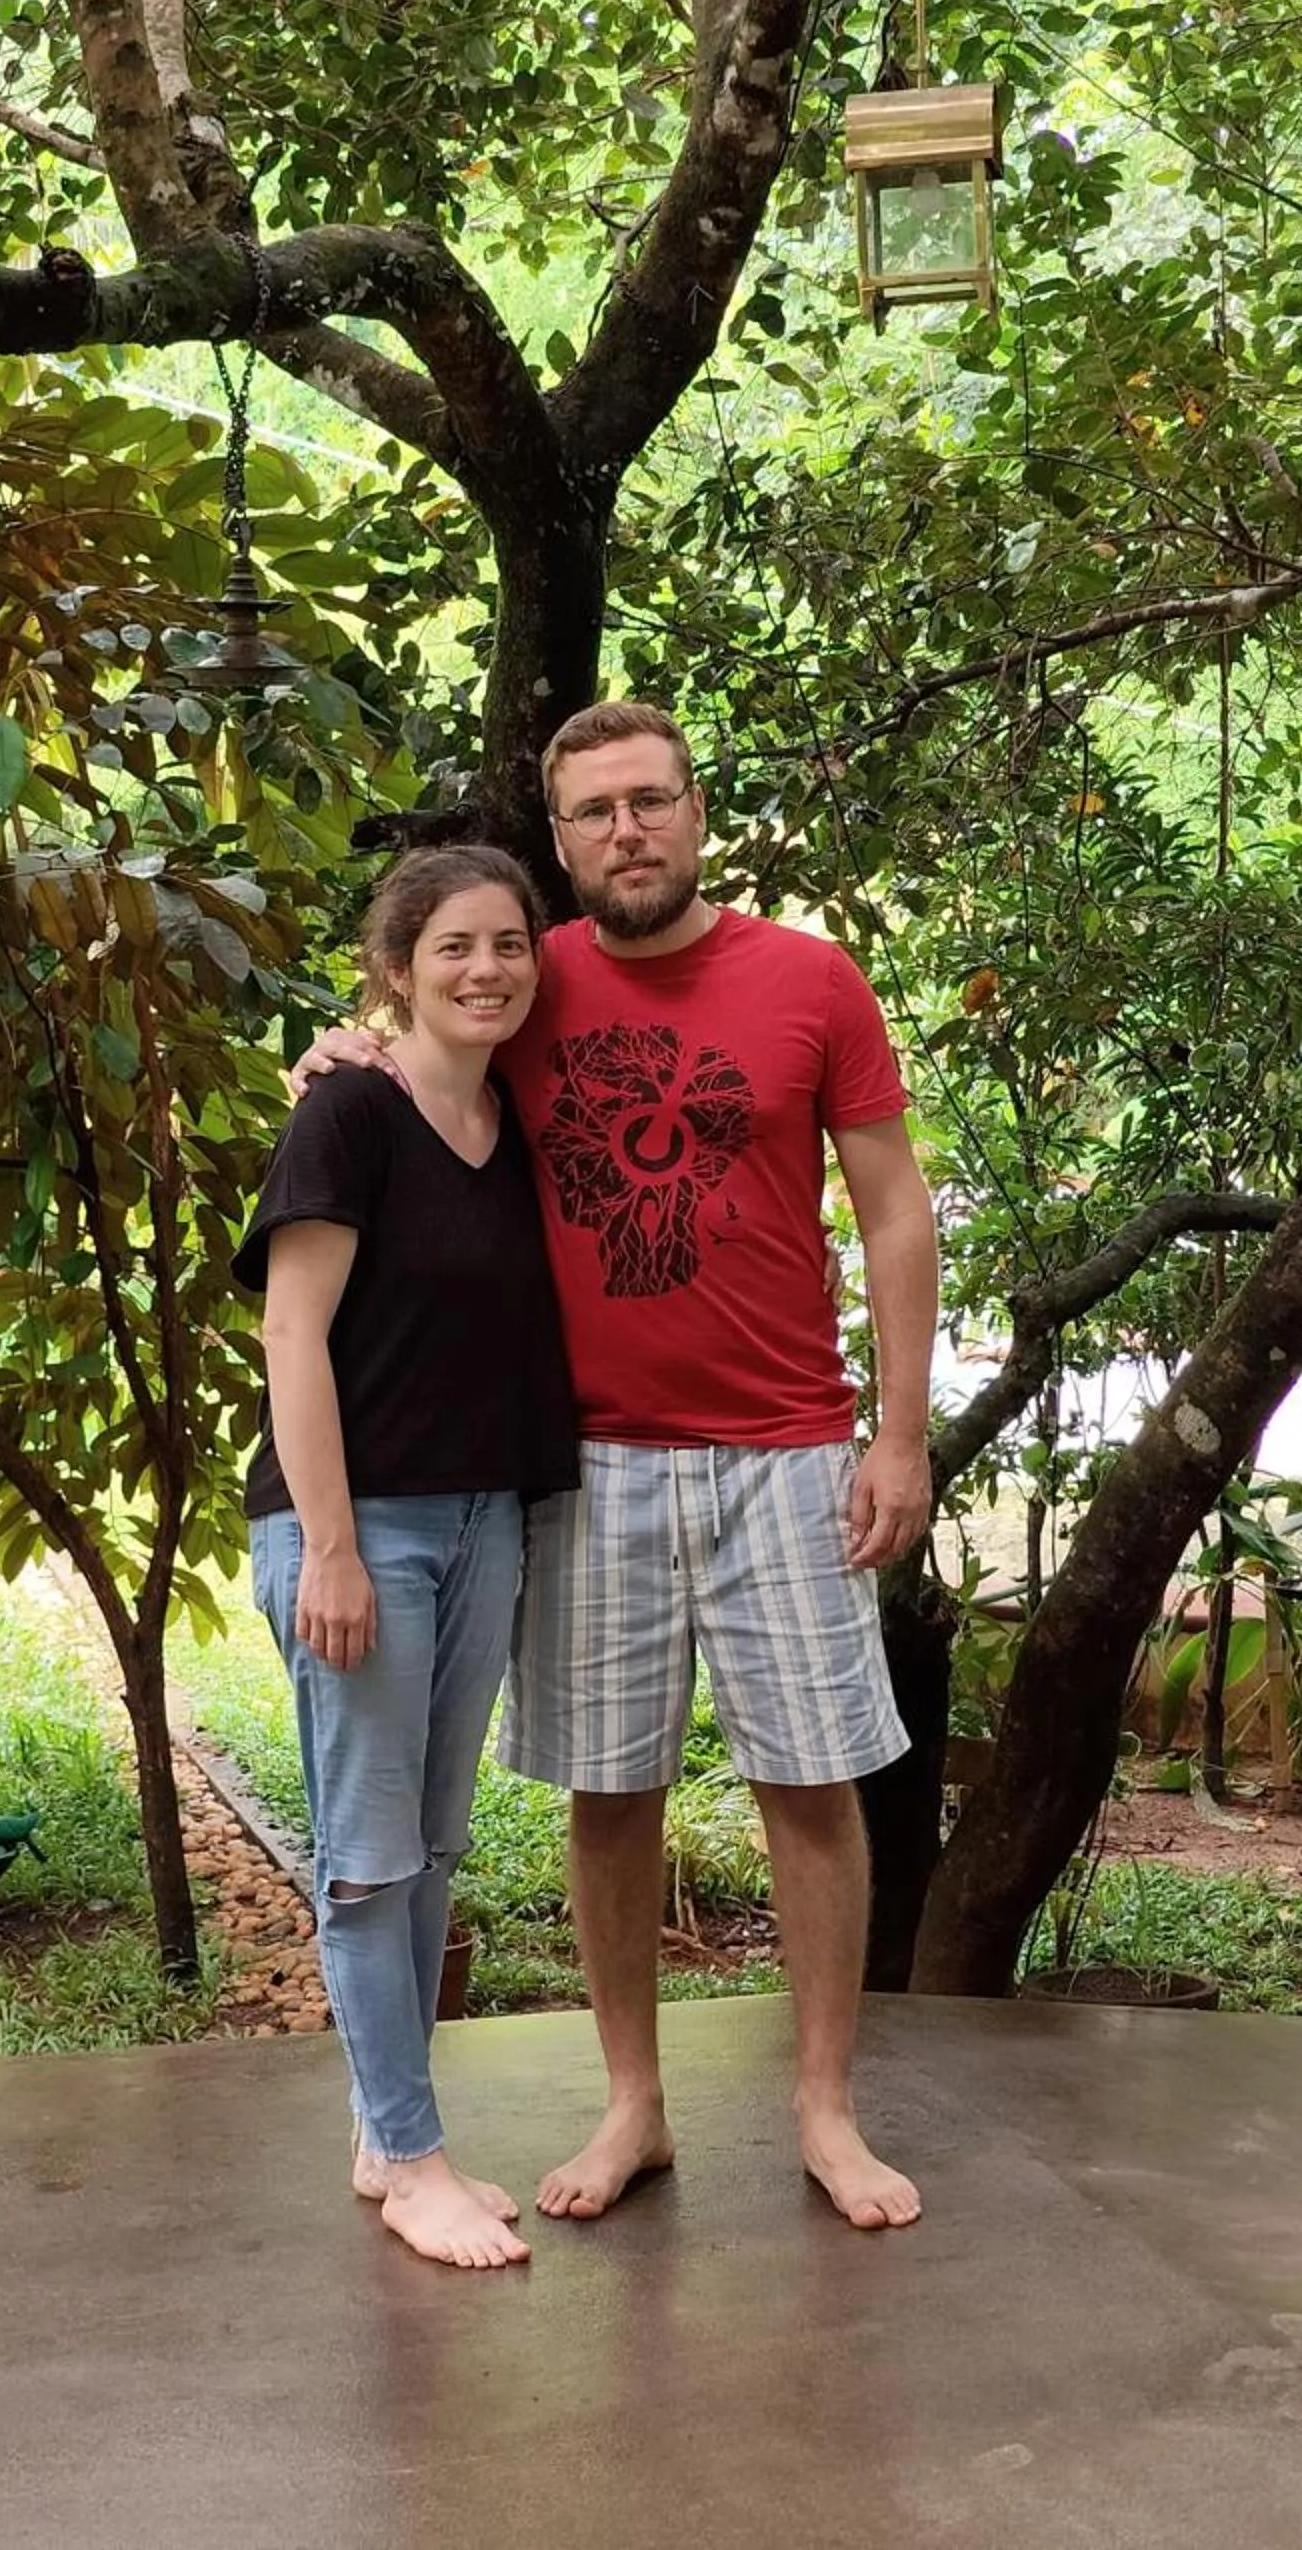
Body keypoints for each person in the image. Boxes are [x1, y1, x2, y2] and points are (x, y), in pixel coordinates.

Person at [297, 702, 938, 2232]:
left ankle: (823, 2109)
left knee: (811, 1783)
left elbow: (894, 1211)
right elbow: (409, 1061)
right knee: (610, 1788)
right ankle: (633, 2105)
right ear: (560, 838)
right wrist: (341, 1048)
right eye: (592, 812)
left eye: (649, 800)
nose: (626, 831)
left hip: (786, 1449)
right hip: (585, 1462)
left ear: (696, 811)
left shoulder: (810, 980)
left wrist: (900, 1435)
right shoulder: (526, 983)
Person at [234, 844, 579, 2270]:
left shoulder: (518, 1122)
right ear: (394, 971)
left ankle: (389, 2137)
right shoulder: (348, 1114)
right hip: (355, 1526)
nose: (486, 969)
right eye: (452, 948)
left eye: (508, 944)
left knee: (432, 1847)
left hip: (484, 1517)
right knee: (371, 1859)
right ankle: (416, 2157)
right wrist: (329, 1547)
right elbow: (291, 1332)